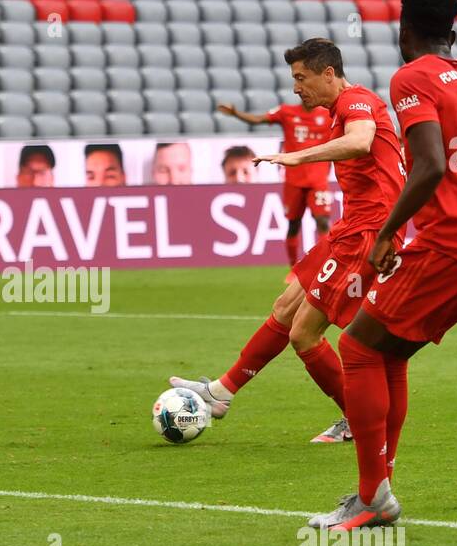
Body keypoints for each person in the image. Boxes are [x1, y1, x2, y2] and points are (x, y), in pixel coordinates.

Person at [307, 0, 457, 531]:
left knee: (357, 348)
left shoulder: (412, 77)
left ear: (403, 25)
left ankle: (371, 498)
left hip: (453, 239)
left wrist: (387, 234)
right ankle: (378, 487)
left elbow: (430, 165)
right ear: (451, 27)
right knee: (390, 354)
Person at [171, 38, 405, 444]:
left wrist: (298, 156)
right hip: (350, 228)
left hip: (371, 232)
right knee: (284, 306)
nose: (296, 87)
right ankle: (220, 393)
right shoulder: (339, 109)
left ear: (328, 74)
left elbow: (362, 139)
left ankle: (358, 418)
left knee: (304, 334)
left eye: (302, 77)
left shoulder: (356, 102)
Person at [219, 98, 334, 263]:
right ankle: (294, 269)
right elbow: (259, 119)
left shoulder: (328, 114)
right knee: (294, 225)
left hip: (318, 181)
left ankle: (326, 265)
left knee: (323, 222)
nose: (302, 91)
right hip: (293, 181)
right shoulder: (286, 111)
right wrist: (236, 113)